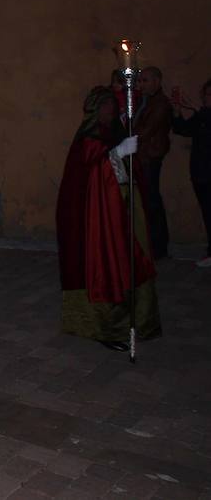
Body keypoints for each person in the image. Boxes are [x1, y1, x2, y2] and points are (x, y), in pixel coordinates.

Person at [57, 86, 161, 349]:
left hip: (124, 205)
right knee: (107, 261)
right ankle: (105, 327)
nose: (110, 110)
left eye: (112, 105)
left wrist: (125, 154)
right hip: (100, 216)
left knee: (132, 256)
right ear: (95, 111)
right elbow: (91, 175)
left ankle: (137, 319)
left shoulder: (115, 132)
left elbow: (129, 168)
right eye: (105, 106)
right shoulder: (87, 140)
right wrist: (116, 154)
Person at [134, 66, 173, 258]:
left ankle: (158, 246)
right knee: (148, 199)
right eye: (140, 80)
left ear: (157, 81)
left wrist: (127, 137)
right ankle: (152, 244)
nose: (141, 84)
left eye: (145, 80)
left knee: (151, 200)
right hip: (144, 155)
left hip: (150, 156)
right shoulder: (146, 100)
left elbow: (146, 130)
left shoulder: (160, 104)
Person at [172, 78, 211, 267]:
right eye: (206, 94)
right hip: (200, 172)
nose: (207, 98)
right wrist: (177, 111)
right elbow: (183, 129)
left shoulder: (204, 115)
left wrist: (196, 108)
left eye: (210, 95)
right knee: (207, 212)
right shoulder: (201, 115)